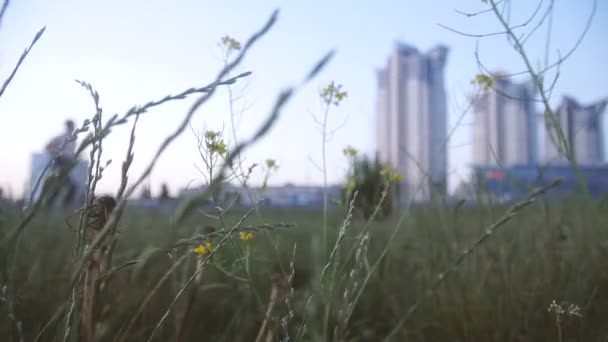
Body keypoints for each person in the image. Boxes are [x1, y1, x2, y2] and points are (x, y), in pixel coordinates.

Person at [44, 119, 78, 207]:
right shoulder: (61, 137)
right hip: (60, 163)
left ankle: (48, 206)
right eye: (70, 125)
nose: (72, 127)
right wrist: (56, 151)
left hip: (68, 164)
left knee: (58, 187)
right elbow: (47, 146)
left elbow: (72, 153)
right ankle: (62, 206)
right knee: (71, 186)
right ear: (67, 126)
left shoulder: (74, 139)